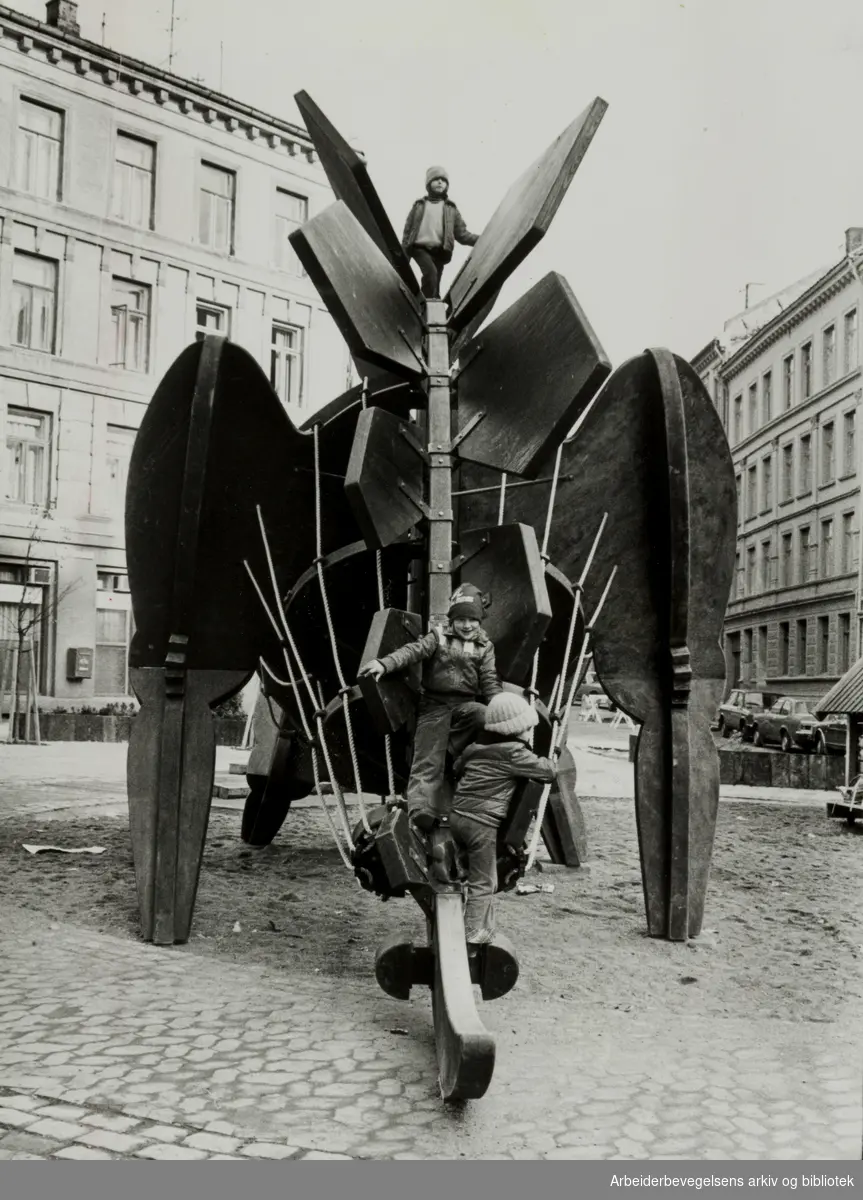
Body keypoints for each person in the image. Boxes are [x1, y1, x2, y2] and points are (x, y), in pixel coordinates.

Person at [358, 583, 501, 824]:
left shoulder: (485, 647)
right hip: (435, 705)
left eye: (473, 620)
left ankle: (455, 758)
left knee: (484, 716)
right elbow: (413, 651)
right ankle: (421, 810)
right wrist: (385, 664)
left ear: (480, 621)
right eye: (461, 619)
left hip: (465, 705)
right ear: (452, 620)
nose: (467, 625)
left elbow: (489, 679)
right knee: (427, 756)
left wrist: (499, 706)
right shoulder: (438, 637)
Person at [450, 692, 557, 944]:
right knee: (485, 881)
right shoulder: (514, 753)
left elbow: (457, 768)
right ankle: (472, 932)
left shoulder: (474, 748)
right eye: (528, 729)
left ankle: (462, 907)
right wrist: (553, 756)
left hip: (457, 816)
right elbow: (547, 772)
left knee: (469, 867)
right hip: (481, 823)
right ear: (514, 730)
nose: (530, 733)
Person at [402, 166, 479, 299]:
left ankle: (432, 312)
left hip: (440, 252)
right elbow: (407, 231)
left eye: (443, 180)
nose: (439, 182)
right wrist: (403, 256)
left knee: (435, 286)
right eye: (436, 179)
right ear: (428, 184)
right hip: (420, 248)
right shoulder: (419, 205)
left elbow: (462, 235)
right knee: (430, 274)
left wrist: (482, 239)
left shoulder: (451, 209)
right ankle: (425, 305)